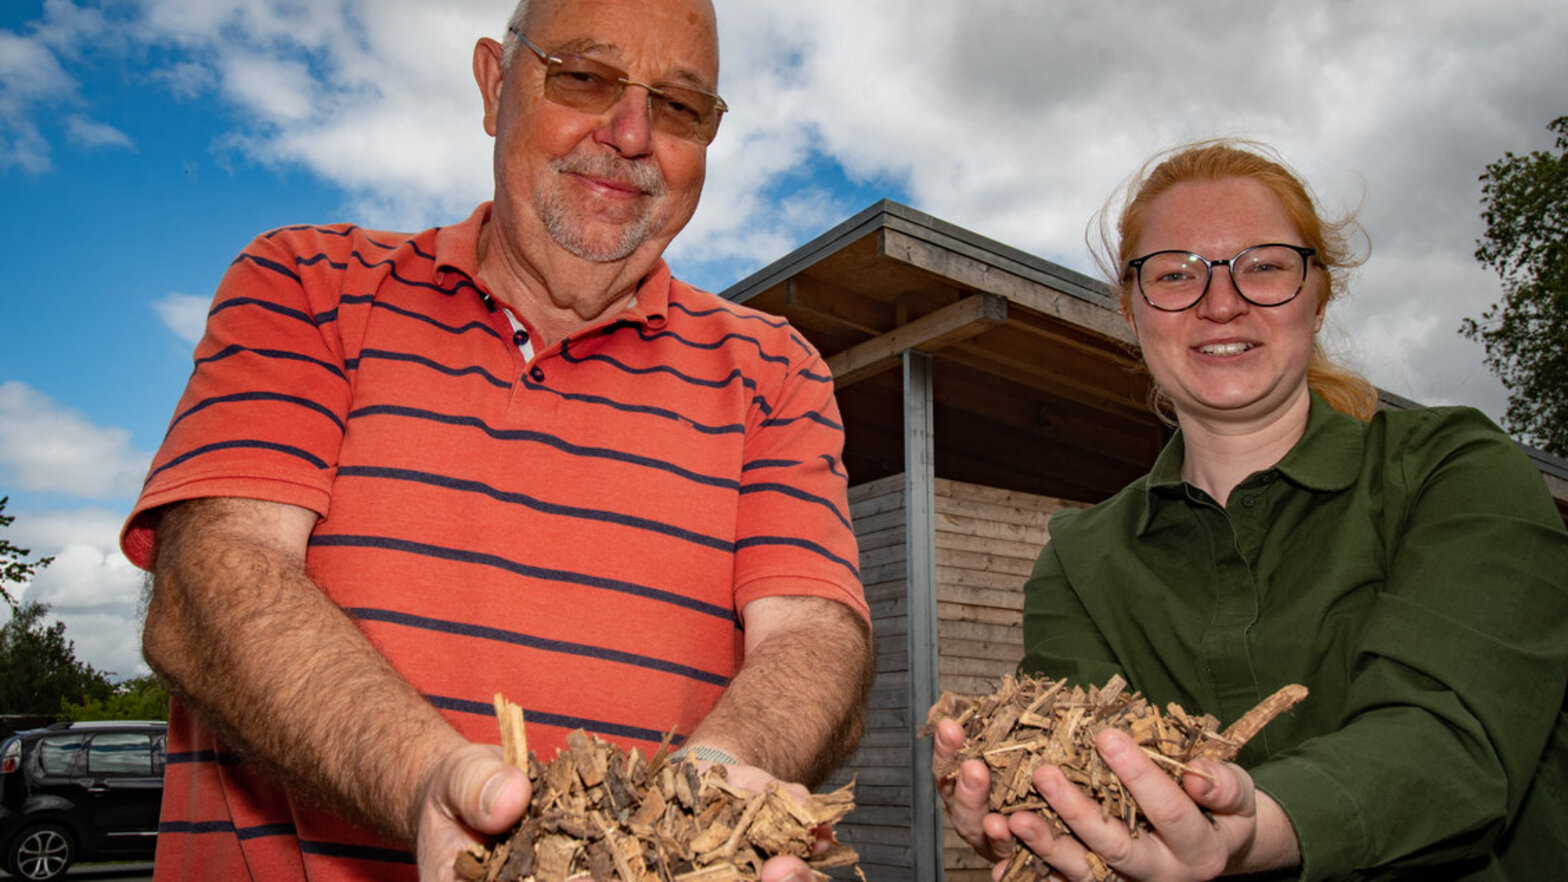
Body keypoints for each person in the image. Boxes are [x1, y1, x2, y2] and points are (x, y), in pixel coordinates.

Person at [121, 1, 874, 879]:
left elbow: (813, 633)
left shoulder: (775, 371)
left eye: (679, 107)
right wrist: (428, 781)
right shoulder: (308, 285)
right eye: (585, 78)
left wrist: (703, 803)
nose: (631, 133)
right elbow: (214, 576)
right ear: (493, 84)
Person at [931, 140, 1568, 880]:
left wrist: (1250, 826)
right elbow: (1091, 777)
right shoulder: (1078, 558)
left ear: (1318, 292)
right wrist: (1032, 801)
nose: (1222, 302)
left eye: (1263, 266)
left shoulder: (1455, 471)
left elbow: (1453, 741)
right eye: (1175, 275)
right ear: (1131, 310)